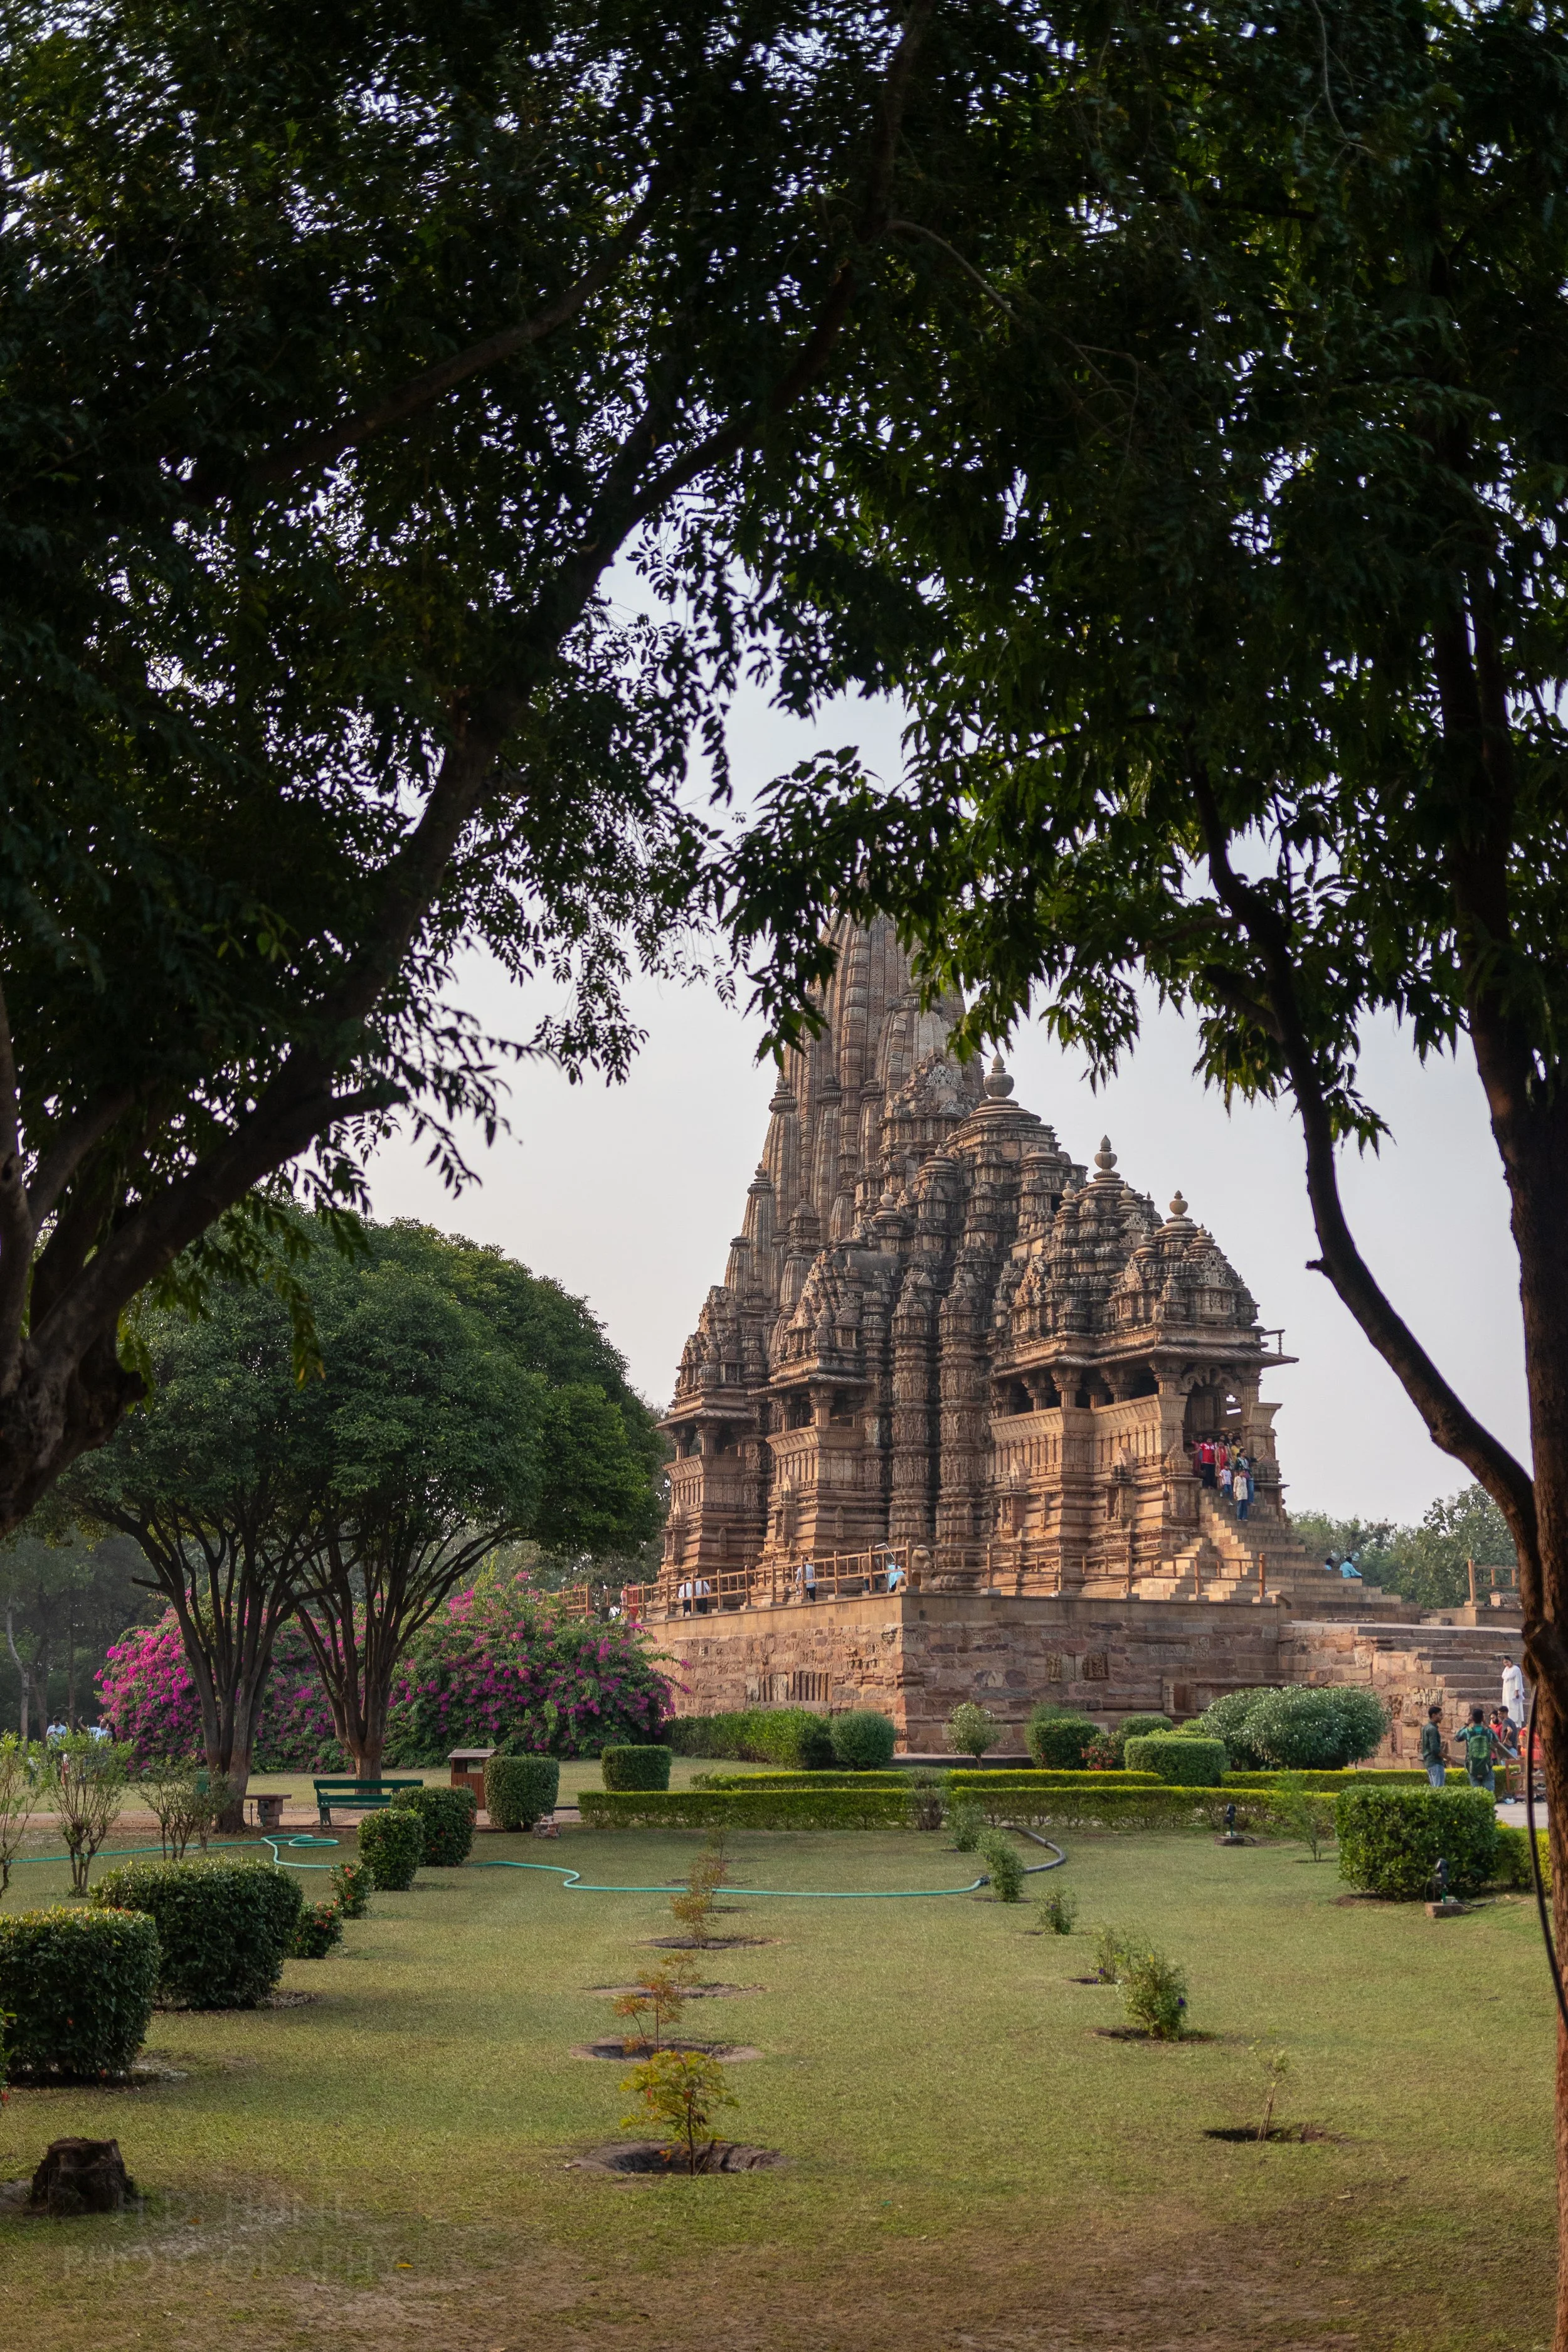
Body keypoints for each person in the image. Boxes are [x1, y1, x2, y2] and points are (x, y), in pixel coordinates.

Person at [1459, 1705, 1499, 1792]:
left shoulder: (1468, 1732)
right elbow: (1496, 1740)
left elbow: (1457, 1737)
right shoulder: (1487, 1732)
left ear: (1472, 1719)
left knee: (1476, 1795)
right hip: (1487, 1766)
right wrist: (1487, 1725)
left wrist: (1466, 1724)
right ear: (1483, 1718)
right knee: (1489, 1795)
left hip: (1473, 1767)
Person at [1418, 1705, 1447, 1790]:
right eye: (1440, 1715)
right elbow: (1435, 1749)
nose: (1442, 1717)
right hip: (1435, 1762)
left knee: (1434, 1789)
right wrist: (1448, 1758)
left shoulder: (1426, 1728)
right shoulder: (1432, 1729)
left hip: (1429, 1762)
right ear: (1434, 1716)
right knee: (1438, 1790)